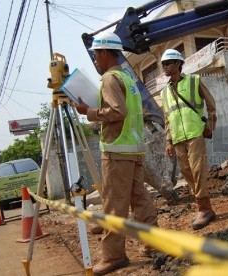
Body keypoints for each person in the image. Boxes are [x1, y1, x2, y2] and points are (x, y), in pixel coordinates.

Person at [75, 31, 158, 275]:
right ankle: (153, 243)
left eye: (96, 55)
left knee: (113, 204)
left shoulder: (110, 78)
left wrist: (89, 111)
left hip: (117, 151)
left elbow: (117, 111)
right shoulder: (128, 79)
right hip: (132, 148)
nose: (95, 61)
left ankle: (113, 256)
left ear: (104, 53)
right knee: (139, 197)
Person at [160, 49, 217, 230]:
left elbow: (211, 105)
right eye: (163, 64)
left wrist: (209, 125)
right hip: (177, 137)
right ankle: (205, 206)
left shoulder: (194, 81)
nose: (164, 67)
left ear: (178, 63)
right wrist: (168, 141)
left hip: (194, 133)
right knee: (186, 172)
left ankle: (203, 208)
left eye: (167, 63)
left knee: (198, 169)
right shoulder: (164, 92)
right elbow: (167, 118)